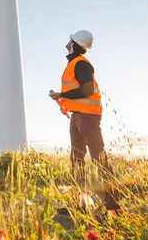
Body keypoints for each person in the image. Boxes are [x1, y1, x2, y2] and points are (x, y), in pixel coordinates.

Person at [49, 30, 120, 211]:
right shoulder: (75, 64)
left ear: (74, 44)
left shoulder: (81, 64)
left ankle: (113, 203)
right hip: (78, 116)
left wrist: (62, 94)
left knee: (99, 158)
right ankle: (79, 204)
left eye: (70, 41)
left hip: (88, 116)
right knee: (77, 160)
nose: (67, 43)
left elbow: (87, 90)